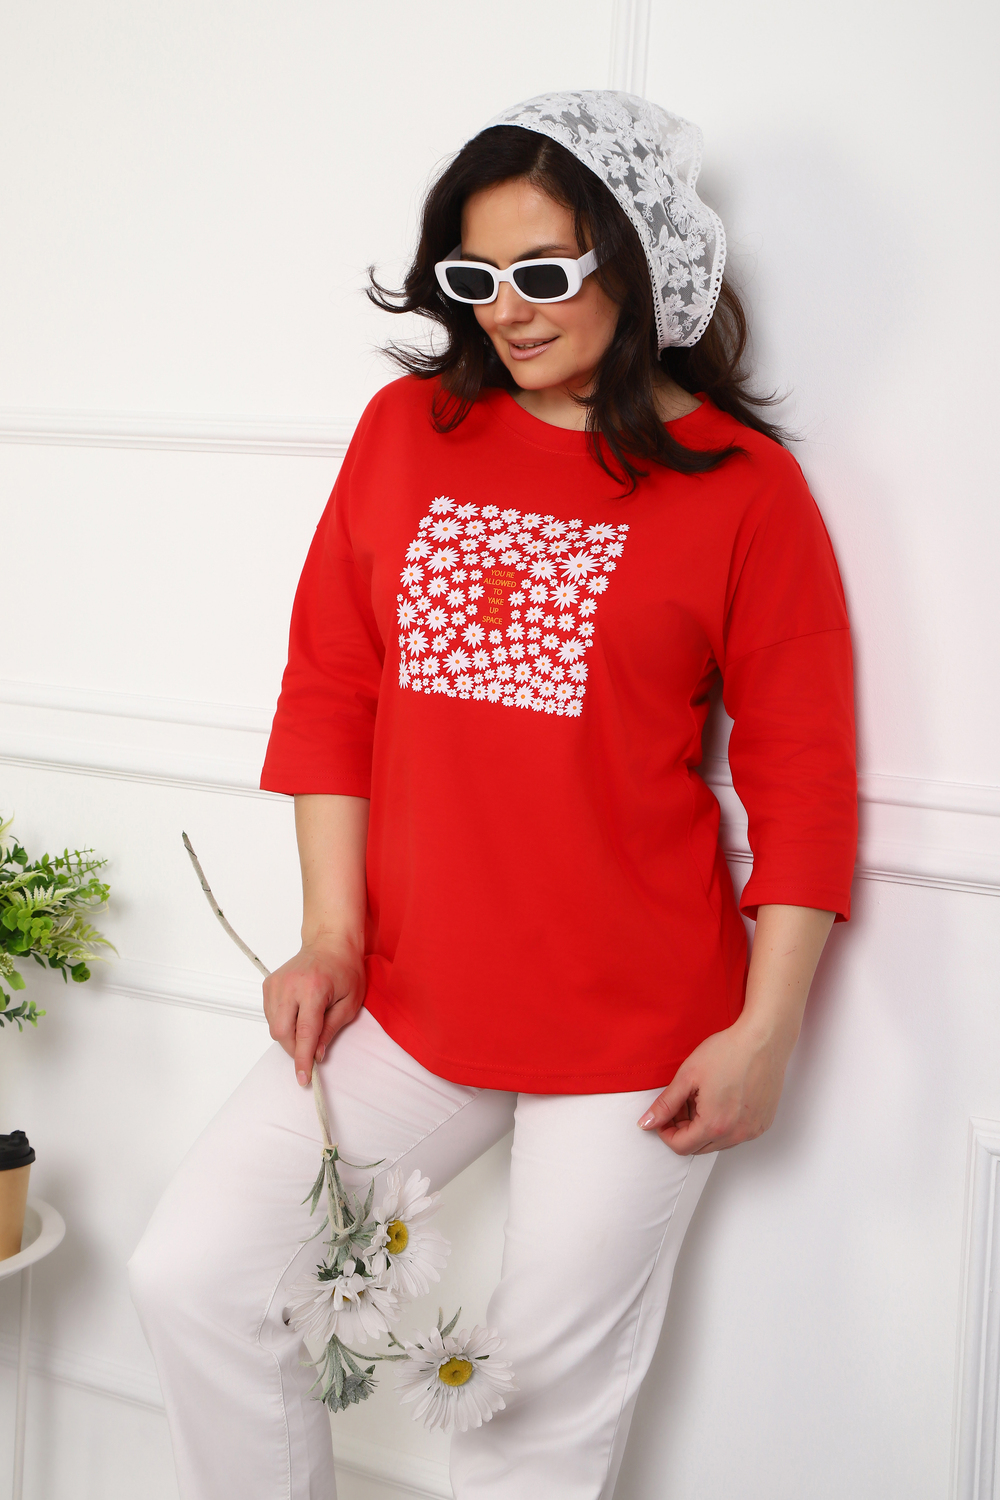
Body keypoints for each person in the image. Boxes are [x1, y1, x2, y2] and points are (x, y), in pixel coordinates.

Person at [129, 90, 857, 1500]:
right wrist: (331, 936)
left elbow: (806, 780)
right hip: (412, 995)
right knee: (197, 1275)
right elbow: (333, 687)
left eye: (544, 272)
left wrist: (767, 1030)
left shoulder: (744, 490)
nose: (507, 311)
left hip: (639, 1031)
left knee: (528, 1424)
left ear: (636, 264)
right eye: (475, 276)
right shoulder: (409, 430)